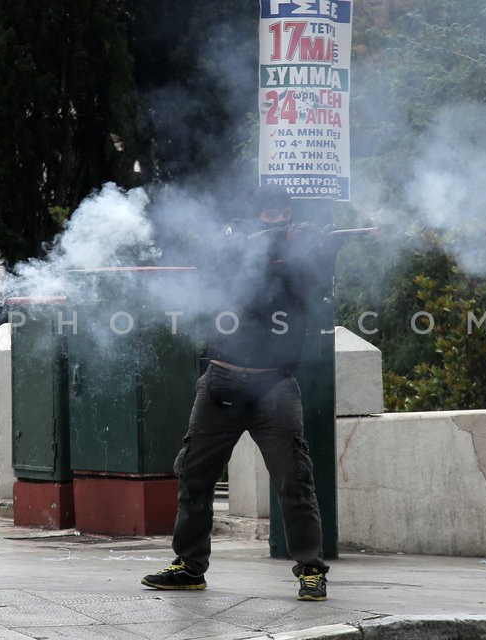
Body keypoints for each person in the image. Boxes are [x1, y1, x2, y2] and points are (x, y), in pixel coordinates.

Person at [141, 187, 340, 601]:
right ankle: (189, 566)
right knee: (194, 474)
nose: (278, 217)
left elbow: (315, 284)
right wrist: (252, 243)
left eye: (284, 211)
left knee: (294, 480)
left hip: (274, 387)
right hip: (221, 382)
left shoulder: (300, 252)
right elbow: (213, 277)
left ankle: (310, 569)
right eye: (270, 211)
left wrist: (319, 244)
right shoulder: (232, 245)